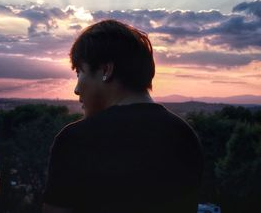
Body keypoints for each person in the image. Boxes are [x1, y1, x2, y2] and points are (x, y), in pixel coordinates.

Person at [43, 20, 204, 213]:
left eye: (79, 72)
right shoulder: (185, 135)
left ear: (105, 70)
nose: (77, 89)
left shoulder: (76, 139)